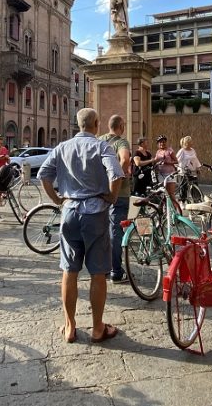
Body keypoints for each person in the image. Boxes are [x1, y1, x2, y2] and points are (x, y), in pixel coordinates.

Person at [38, 108, 124, 344]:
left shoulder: (62, 147)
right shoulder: (102, 146)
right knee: (97, 273)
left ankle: (70, 326)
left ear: (78, 125)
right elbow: (116, 174)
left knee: (69, 270)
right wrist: (112, 198)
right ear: (96, 124)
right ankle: (98, 328)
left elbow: (44, 175)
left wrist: (57, 200)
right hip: (95, 212)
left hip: (69, 211)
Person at [98, 114, 132, 284]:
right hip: (120, 193)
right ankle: (116, 271)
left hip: (100, 193)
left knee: (103, 230)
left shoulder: (99, 141)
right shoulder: (121, 142)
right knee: (116, 232)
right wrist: (118, 176)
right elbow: (125, 159)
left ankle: (102, 268)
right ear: (121, 126)